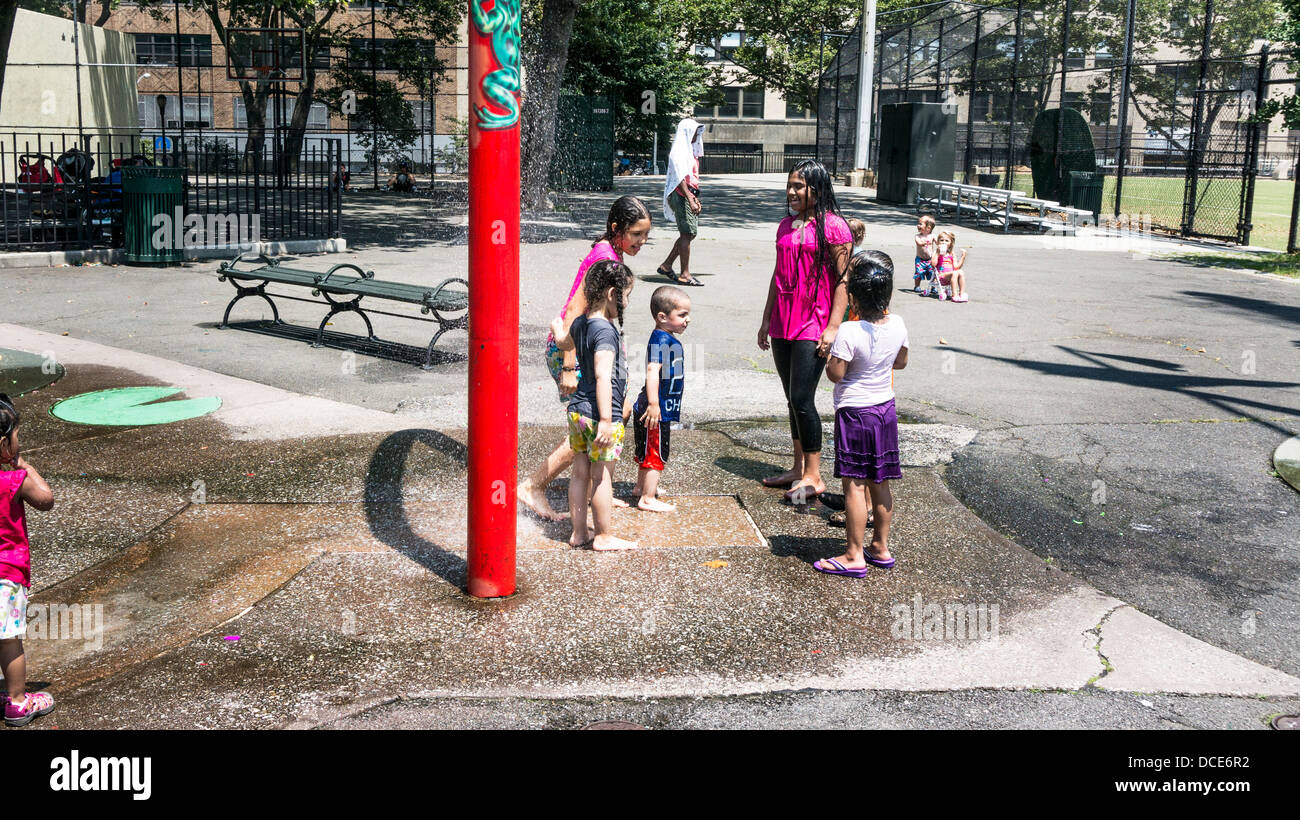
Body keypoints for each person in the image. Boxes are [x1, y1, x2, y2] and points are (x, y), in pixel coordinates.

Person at [519, 196, 652, 521]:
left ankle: (598, 491)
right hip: (572, 351)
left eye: (646, 235)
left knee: (607, 417)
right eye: (636, 234)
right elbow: (574, 316)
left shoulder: (611, 253)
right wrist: (567, 367)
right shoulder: (602, 258)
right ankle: (532, 486)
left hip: (587, 350)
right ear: (616, 228)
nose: (642, 242)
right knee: (591, 423)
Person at [756, 159, 853, 503]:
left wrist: (833, 327)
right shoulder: (785, 226)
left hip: (814, 320)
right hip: (784, 319)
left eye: (799, 186)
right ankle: (798, 468)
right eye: (790, 185)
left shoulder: (836, 228)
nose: (792, 192)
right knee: (790, 398)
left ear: (818, 189)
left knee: (802, 397)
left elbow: (844, 281)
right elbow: (777, 273)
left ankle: (815, 474)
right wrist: (767, 318)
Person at [813, 253, 909, 579]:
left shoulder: (850, 331)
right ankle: (880, 547)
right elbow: (901, 362)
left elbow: (836, 375)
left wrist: (830, 358)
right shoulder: (898, 324)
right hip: (885, 410)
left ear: (852, 297)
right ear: (888, 294)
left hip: (855, 413)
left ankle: (854, 555)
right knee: (879, 480)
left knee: (854, 485)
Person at [550, 261, 638, 551]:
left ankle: (578, 533)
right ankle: (603, 535)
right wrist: (605, 419)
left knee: (579, 473)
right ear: (613, 294)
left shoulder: (581, 323)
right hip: (601, 415)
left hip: (577, 411)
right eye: (626, 296)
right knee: (601, 477)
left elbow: (563, 342)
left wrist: (556, 327)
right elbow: (603, 376)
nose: (626, 303)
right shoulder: (605, 332)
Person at [0, 394, 56, 726]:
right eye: (17, 435)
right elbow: (47, 500)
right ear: (4, 443)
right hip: (6, 573)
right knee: (9, 640)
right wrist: (24, 465)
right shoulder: (11, 482)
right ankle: (19, 702)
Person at [630, 286, 691, 512]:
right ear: (662, 317)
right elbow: (652, 371)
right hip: (656, 408)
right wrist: (654, 404)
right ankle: (647, 498)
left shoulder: (666, 337)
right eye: (682, 315)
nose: (687, 320)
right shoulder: (661, 339)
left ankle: (641, 487)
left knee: (647, 449)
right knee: (656, 452)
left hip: (658, 406)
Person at [657, 118, 705, 287]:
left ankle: (667, 265)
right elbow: (679, 179)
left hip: (688, 194)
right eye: (694, 132)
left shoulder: (689, 151)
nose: (697, 136)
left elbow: (691, 178)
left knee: (689, 233)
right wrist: (690, 198)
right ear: (686, 132)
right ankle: (684, 274)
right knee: (687, 233)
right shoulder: (679, 152)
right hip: (681, 195)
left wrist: (694, 196)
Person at [932, 230, 970, 302]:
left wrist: (963, 257)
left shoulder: (952, 254)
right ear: (938, 242)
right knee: (955, 273)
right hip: (940, 276)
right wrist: (937, 253)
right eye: (941, 240)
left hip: (951, 276)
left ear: (951, 243)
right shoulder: (936, 252)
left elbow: (956, 267)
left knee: (960, 272)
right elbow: (933, 265)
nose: (944, 242)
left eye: (947, 241)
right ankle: (954, 295)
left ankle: (961, 294)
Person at [913, 215, 937, 293]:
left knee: (933, 273)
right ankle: (917, 286)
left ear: (928, 227)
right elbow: (918, 243)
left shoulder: (932, 236)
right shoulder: (918, 236)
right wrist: (922, 243)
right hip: (920, 260)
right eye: (918, 223)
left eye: (920, 224)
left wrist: (941, 244)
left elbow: (938, 242)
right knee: (918, 273)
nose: (918, 225)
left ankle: (934, 287)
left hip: (930, 259)